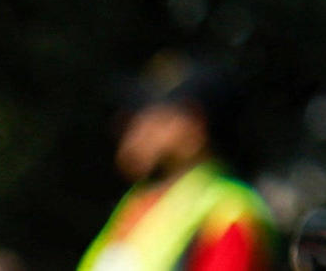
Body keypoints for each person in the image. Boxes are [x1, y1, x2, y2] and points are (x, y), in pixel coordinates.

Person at [74, 60, 278, 271]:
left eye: (153, 116)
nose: (135, 127)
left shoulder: (229, 213)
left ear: (195, 127)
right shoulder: (139, 203)